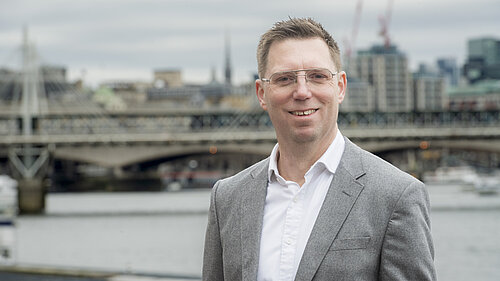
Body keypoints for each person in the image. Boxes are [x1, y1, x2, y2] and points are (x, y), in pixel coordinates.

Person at [203, 17, 436, 281]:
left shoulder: (396, 196)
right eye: (285, 79)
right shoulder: (228, 198)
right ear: (261, 93)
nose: (302, 91)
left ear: (340, 87)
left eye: (317, 76)